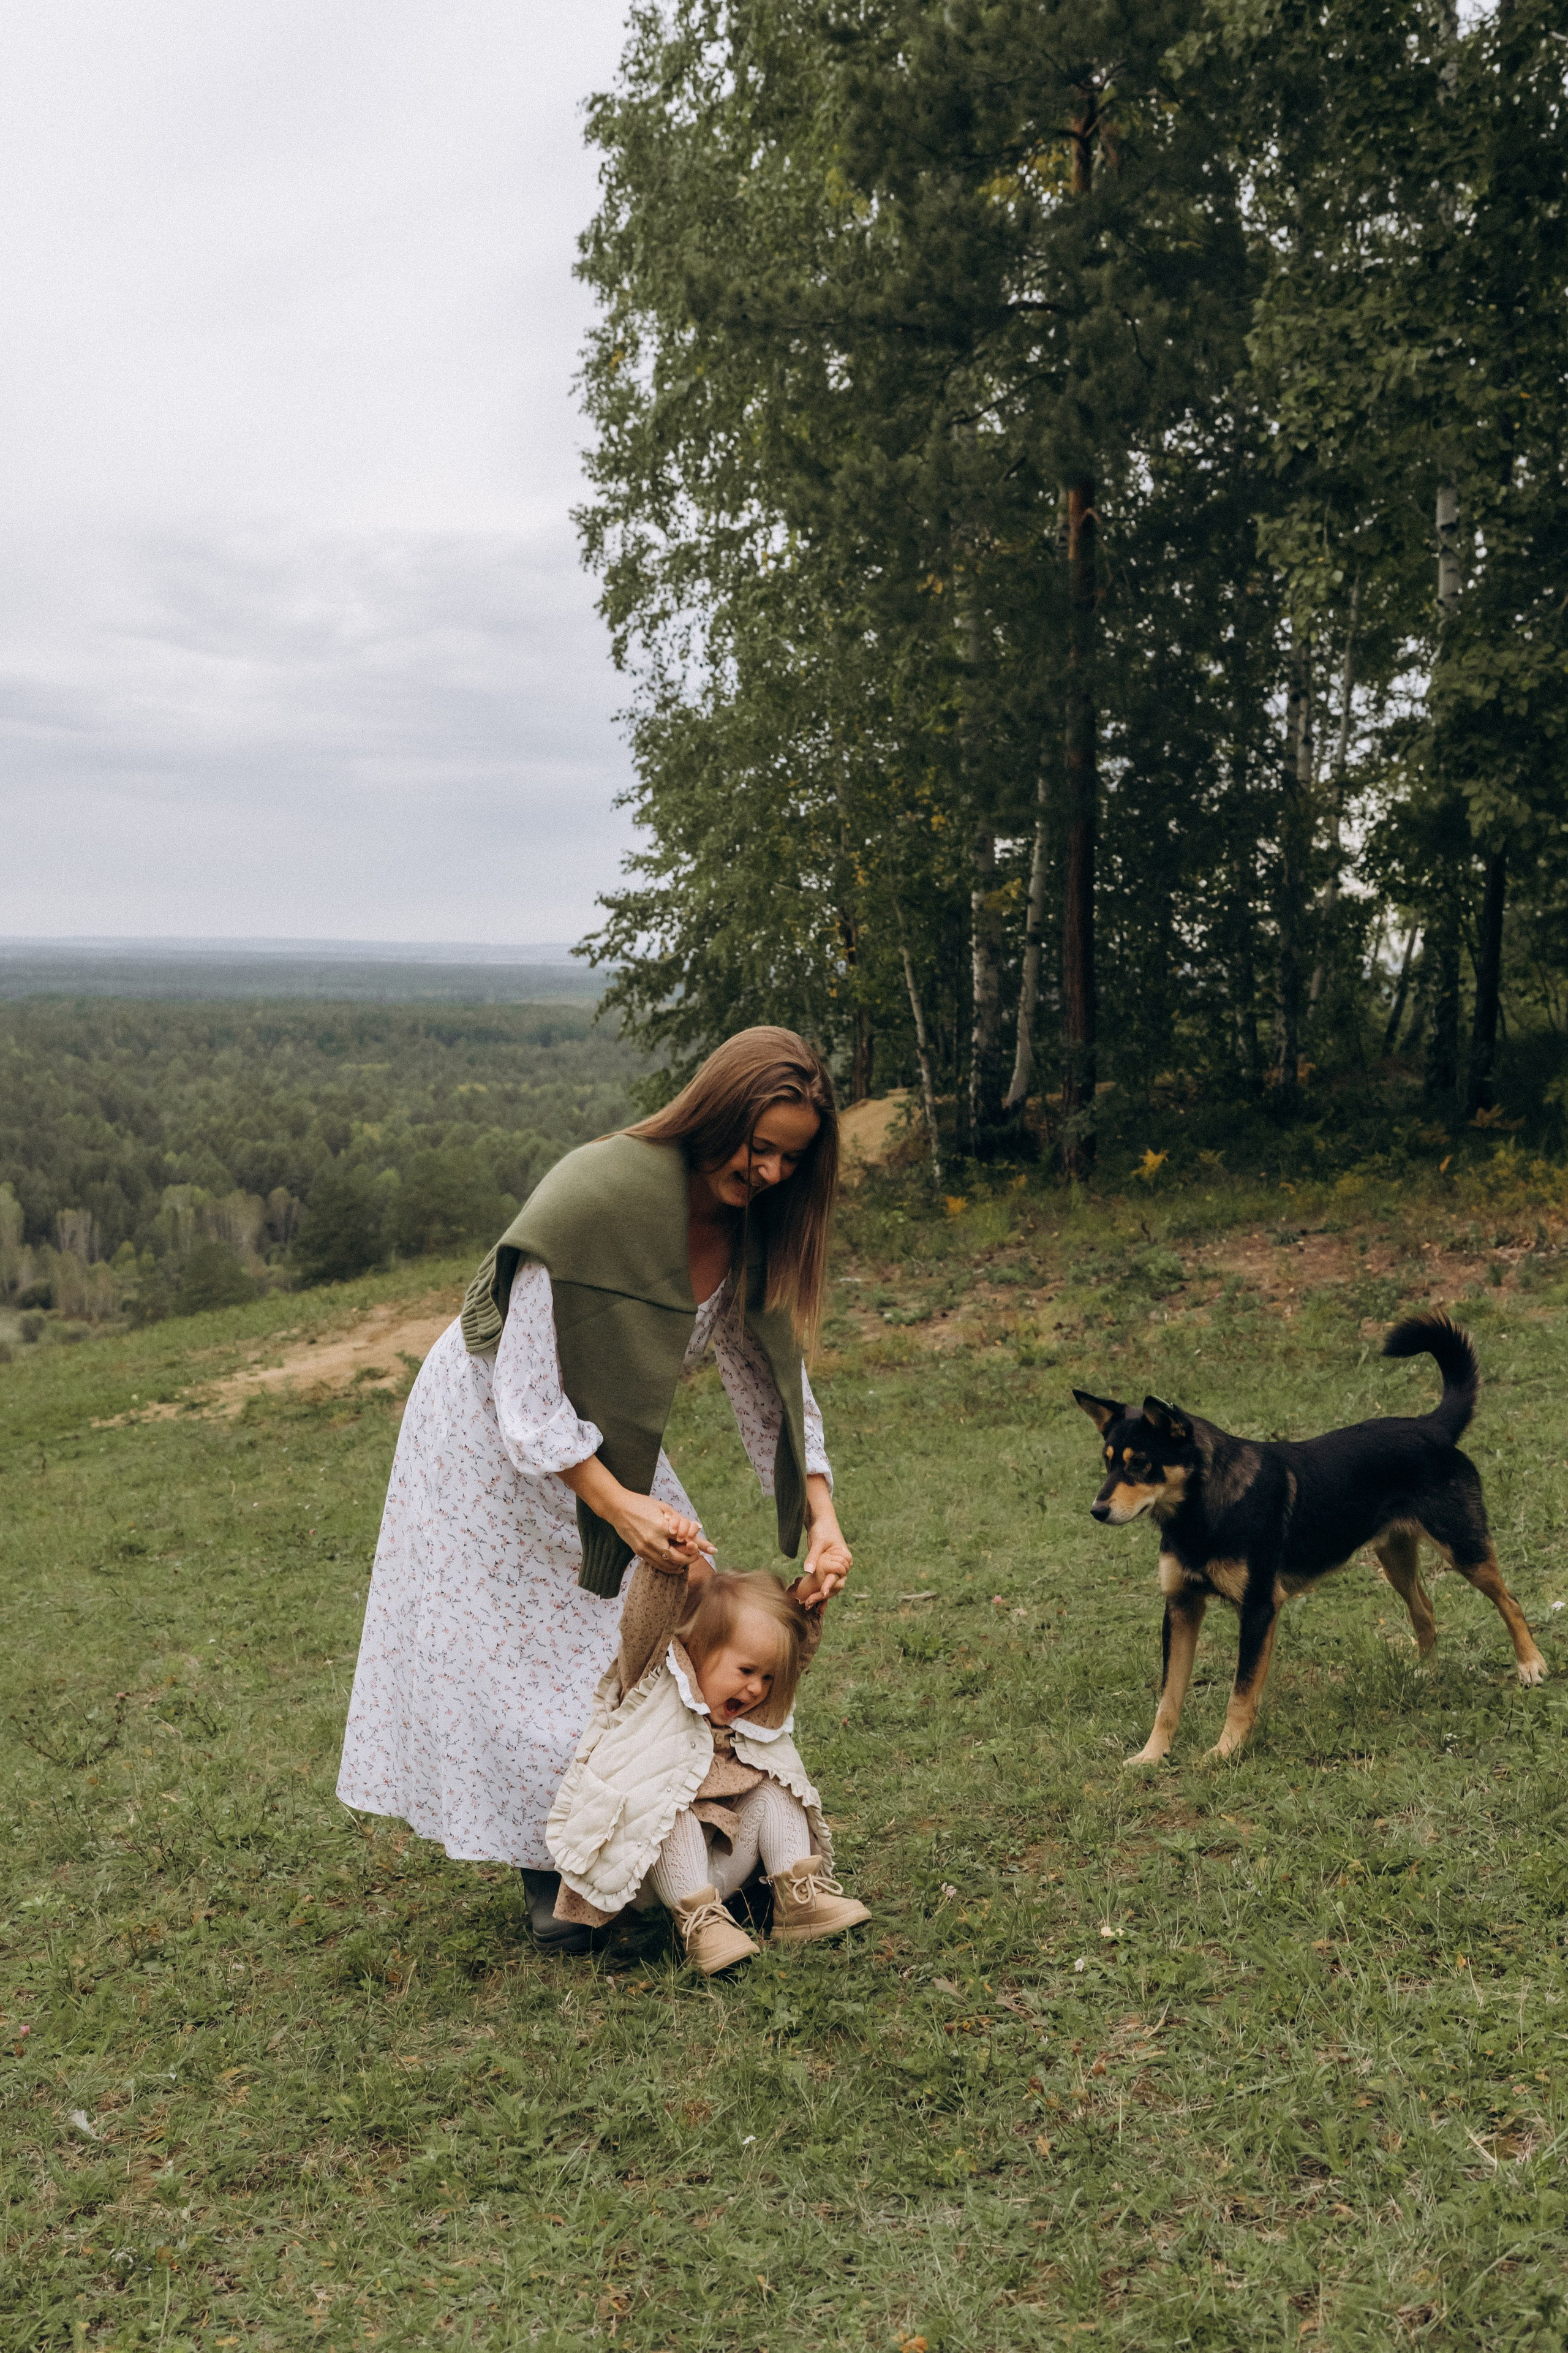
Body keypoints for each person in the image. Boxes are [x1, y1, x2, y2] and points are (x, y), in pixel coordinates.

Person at [335, 1027, 852, 1953]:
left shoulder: (747, 1231)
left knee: (673, 1627)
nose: (771, 1171)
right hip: (486, 1432)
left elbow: (768, 1384)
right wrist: (621, 1507)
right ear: (717, 1115)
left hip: (600, 1435)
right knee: (526, 1653)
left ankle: (701, 1850)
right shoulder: (596, 1193)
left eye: (791, 1157)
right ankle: (563, 1874)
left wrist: (822, 1516)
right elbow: (524, 1393)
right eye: (757, 1145)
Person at [548, 1564, 869, 1974]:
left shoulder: (752, 1714)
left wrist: (806, 1602)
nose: (757, 1688)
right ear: (697, 1647)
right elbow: (643, 1621)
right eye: (747, 1671)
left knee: (776, 1788)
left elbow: (790, 1654)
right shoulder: (653, 1687)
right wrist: (664, 1567)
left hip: (722, 1863)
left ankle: (797, 1900)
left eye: (766, 1677)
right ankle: (702, 1927)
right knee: (670, 1810)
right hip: (649, 1869)